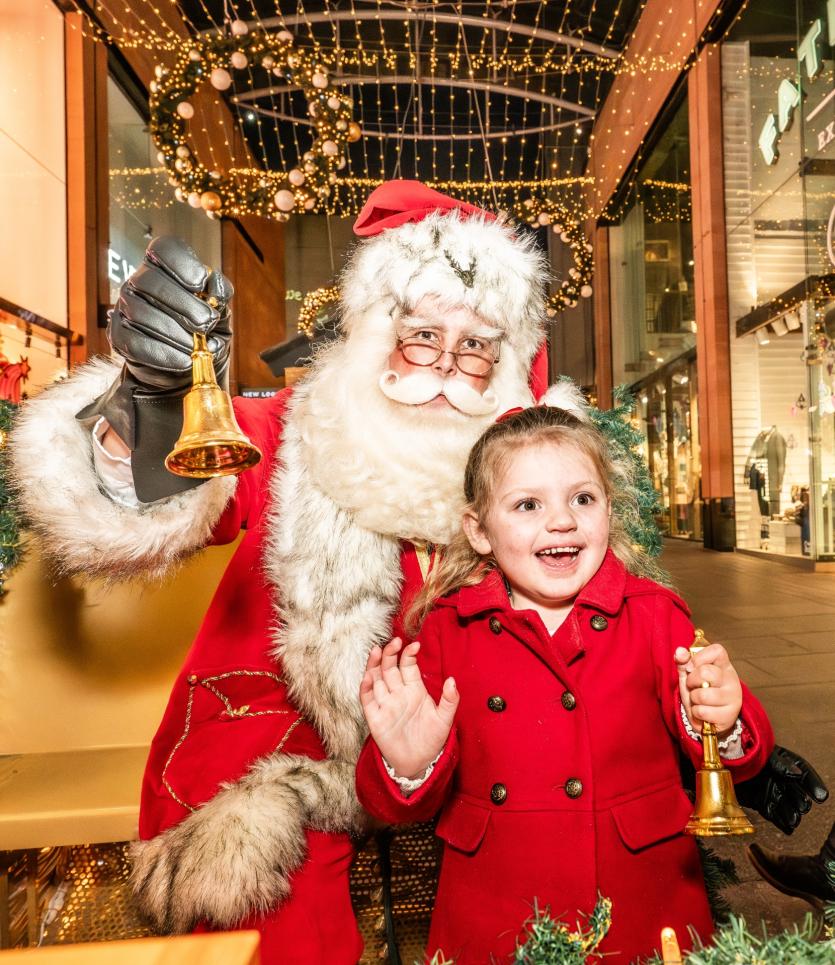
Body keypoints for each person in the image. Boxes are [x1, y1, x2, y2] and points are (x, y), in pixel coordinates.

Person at [7, 179, 826, 961]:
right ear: (375, 335)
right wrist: (150, 409)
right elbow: (154, 499)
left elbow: (633, 638)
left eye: (473, 348)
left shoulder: (538, 466)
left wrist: (729, 742)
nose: (441, 364)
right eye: (420, 336)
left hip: (499, 745)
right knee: (265, 901)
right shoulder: (300, 429)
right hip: (295, 748)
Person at [356, 404, 775, 964]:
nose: (562, 521)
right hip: (495, 903)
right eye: (528, 505)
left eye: (583, 499)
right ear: (479, 531)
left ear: (607, 509)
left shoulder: (652, 614)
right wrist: (408, 763)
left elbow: (727, 747)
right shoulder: (446, 630)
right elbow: (397, 803)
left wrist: (721, 720)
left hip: (641, 896)